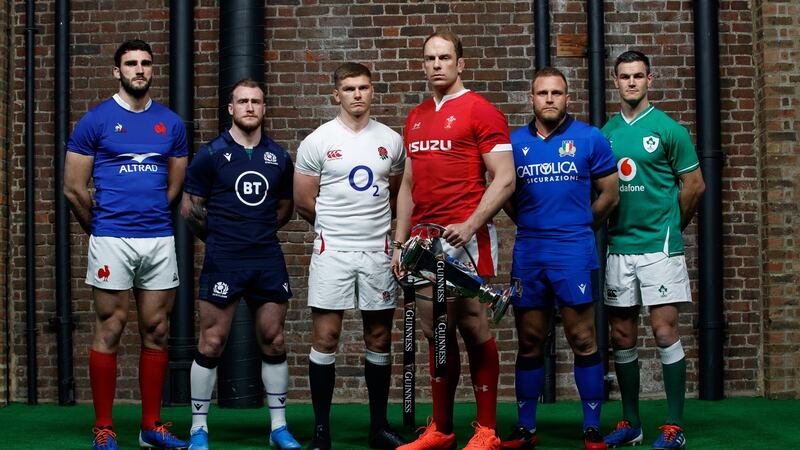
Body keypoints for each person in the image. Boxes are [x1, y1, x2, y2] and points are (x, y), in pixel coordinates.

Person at [392, 30, 516, 450]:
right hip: (423, 242)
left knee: (472, 324)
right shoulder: (416, 116)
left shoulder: (481, 110)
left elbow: (505, 178)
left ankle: (486, 432)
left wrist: (471, 222)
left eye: (445, 57)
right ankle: (441, 429)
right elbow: (407, 184)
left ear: (460, 63)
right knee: (433, 329)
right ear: (424, 64)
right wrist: (399, 242)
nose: (437, 64)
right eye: (430, 58)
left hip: (466, 238)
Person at [63, 39, 189, 450]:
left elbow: (174, 186)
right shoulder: (95, 121)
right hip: (111, 238)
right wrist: (100, 230)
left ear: (153, 70)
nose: (139, 69)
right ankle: (104, 426)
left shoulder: (170, 124)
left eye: (146, 63)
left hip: (157, 239)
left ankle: (150, 426)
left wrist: (149, 217)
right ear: (117, 71)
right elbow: (74, 189)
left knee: (157, 329)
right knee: (111, 329)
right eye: (131, 63)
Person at [500, 67, 619, 450]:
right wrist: (535, 226)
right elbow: (506, 197)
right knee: (530, 339)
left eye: (556, 93)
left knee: (582, 338)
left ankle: (591, 427)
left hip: (574, 250)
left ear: (568, 98)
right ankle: (525, 427)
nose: (549, 99)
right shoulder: (514, 143)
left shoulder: (590, 138)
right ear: (531, 98)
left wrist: (582, 225)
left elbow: (609, 195)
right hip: (530, 251)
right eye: (542, 93)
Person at [181, 79, 300, 450]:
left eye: (257, 102)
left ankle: (278, 427)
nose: (250, 107)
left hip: (266, 258)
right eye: (243, 101)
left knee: (274, 339)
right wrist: (221, 240)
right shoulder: (211, 154)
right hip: (224, 259)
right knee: (212, 341)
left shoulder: (279, 157)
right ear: (230, 109)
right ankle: (198, 428)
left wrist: (256, 233)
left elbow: (283, 208)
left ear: (264, 109)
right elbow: (189, 208)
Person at [294, 62, 407, 450]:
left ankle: (379, 427)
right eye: (349, 88)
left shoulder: (391, 141)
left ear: (372, 91)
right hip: (333, 252)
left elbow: (395, 193)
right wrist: (336, 231)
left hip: (377, 251)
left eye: (363, 87)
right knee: (326, 338)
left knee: (379, 336)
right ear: (335, 94)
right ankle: (321, 431)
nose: (357, 94)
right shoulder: (318, 140)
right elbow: (304, 202)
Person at [601, 51, 705, 450]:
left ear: (650, 80)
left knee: (663, 331)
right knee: (622, 335)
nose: (631, 82)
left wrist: (671, 229)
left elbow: (694, 186)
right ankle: (632, 422)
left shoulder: (668, 129)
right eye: (625, 76)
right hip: (619, 247)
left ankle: (674, 426)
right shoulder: (605, 132)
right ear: (616, 81)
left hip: (660, 249)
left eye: (638, 76)